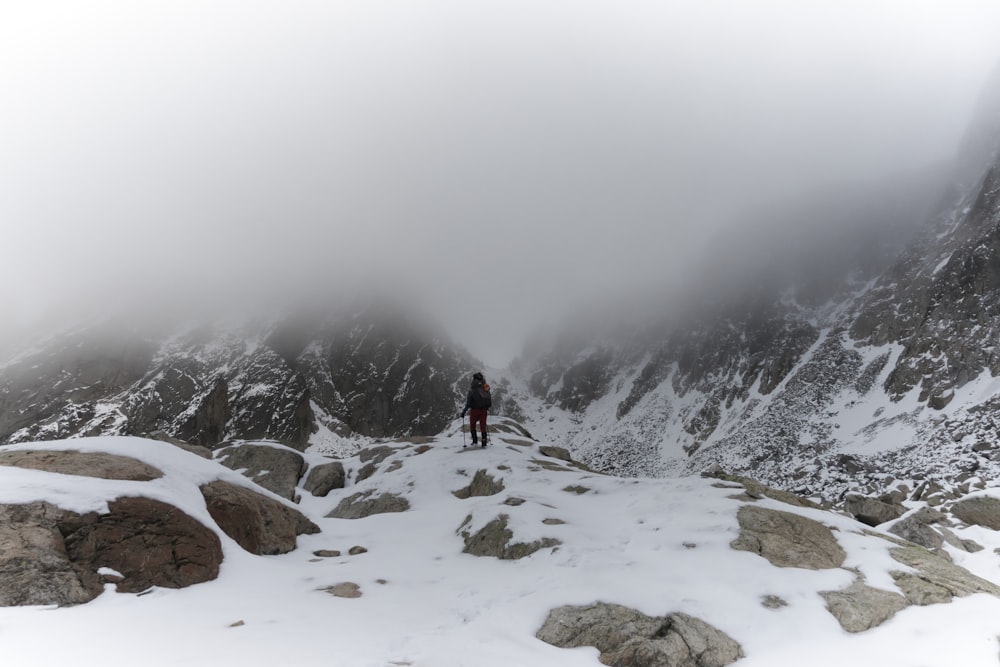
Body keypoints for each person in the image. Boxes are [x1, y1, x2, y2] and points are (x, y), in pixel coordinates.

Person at [460, 372, 492, 447]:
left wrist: (463, 412)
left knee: (472, 426)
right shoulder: (485, 388)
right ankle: (484, 442)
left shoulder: (472, 390)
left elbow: (468, 403)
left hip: (474, 411)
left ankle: (475, 441)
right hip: (484, 410)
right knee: (483, 426)